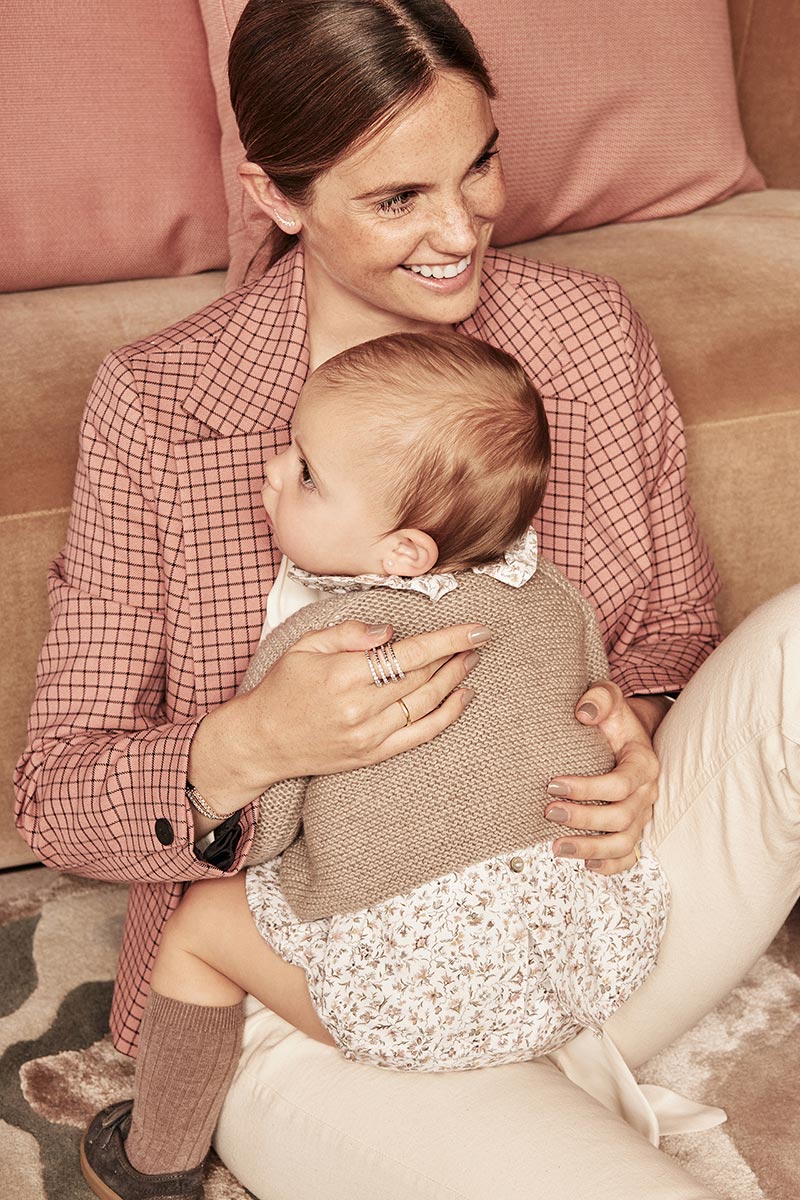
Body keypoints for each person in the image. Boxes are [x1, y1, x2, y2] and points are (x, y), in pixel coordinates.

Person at [13, 1, 797, 1197]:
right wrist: (250, 743)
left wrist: (632, 730)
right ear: (278, 194)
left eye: (475, 162)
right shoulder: (159, 408)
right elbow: (56, 794)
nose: (459, 228)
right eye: (394, 200)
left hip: (589, 918)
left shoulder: (583, 335)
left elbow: (675, 626)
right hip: (327, 993)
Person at [80, 330, 671, 1200]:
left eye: (308, 473)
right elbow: (588, 705)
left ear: (403, 554)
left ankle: (153, 1160)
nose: (276, 471)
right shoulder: (559, 602)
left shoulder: (313, 644)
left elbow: (266, 829)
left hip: (424, 999)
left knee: (203, 924)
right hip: (590, 950)